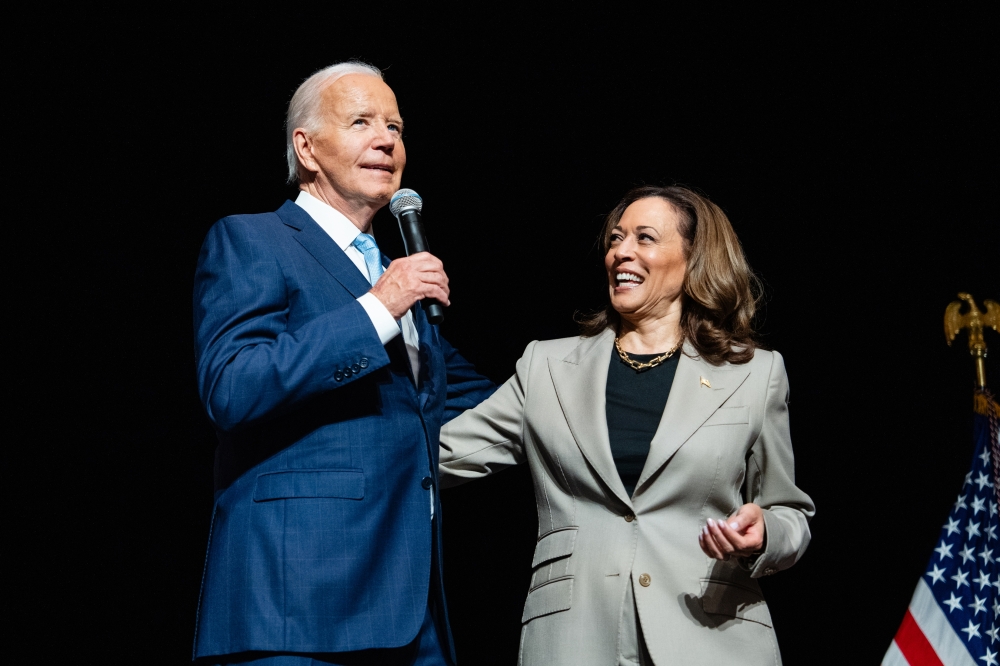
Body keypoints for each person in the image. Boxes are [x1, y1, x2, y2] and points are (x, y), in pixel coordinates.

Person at [191, 61, 494, 666]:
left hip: (409, 609)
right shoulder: (252, 240)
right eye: (362, 122)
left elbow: (475, 402)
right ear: (306, 147)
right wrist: (378, 307)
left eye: (396, 127)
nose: (387, 139)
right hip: (295, 606)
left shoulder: (390, 269)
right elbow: (232, 385)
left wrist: (607, 372)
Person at [438, 185, 815, 665]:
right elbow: (441, 456)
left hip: (711, 633)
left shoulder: (754, 374)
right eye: (616, 238)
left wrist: (764, 533)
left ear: (693, 258)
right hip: (575, 637)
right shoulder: (547, 366)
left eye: (645, 238)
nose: (622, 251)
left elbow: (789, 514)